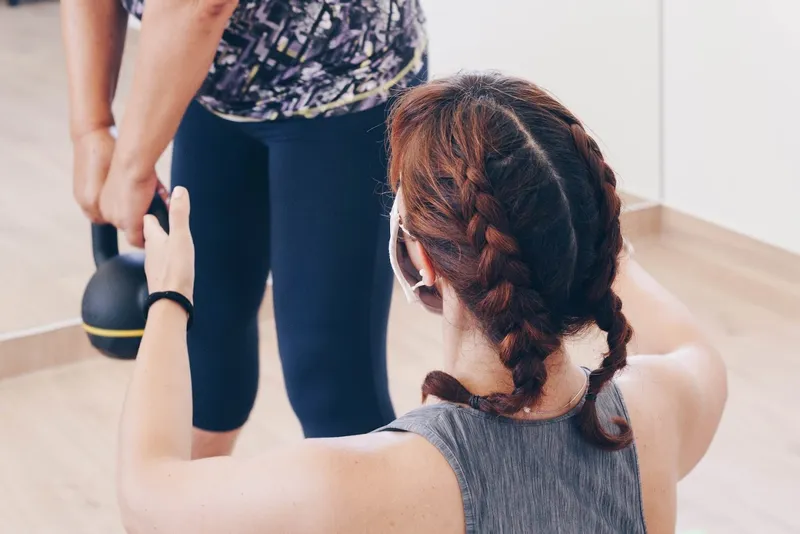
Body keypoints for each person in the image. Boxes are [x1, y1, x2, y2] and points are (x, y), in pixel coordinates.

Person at [117, 73, 727, 533]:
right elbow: (693, 346)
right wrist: (590, 236)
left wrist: (170, 296)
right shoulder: (652, 415)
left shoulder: (365, 484)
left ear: (426, 263)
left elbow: (148, 493)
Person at [61, 0, 427, 456]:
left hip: (342, 82)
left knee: (328, 377)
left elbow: (196, 6)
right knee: (202, 347)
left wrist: (132, 167)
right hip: (214, 83)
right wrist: (91, 128)